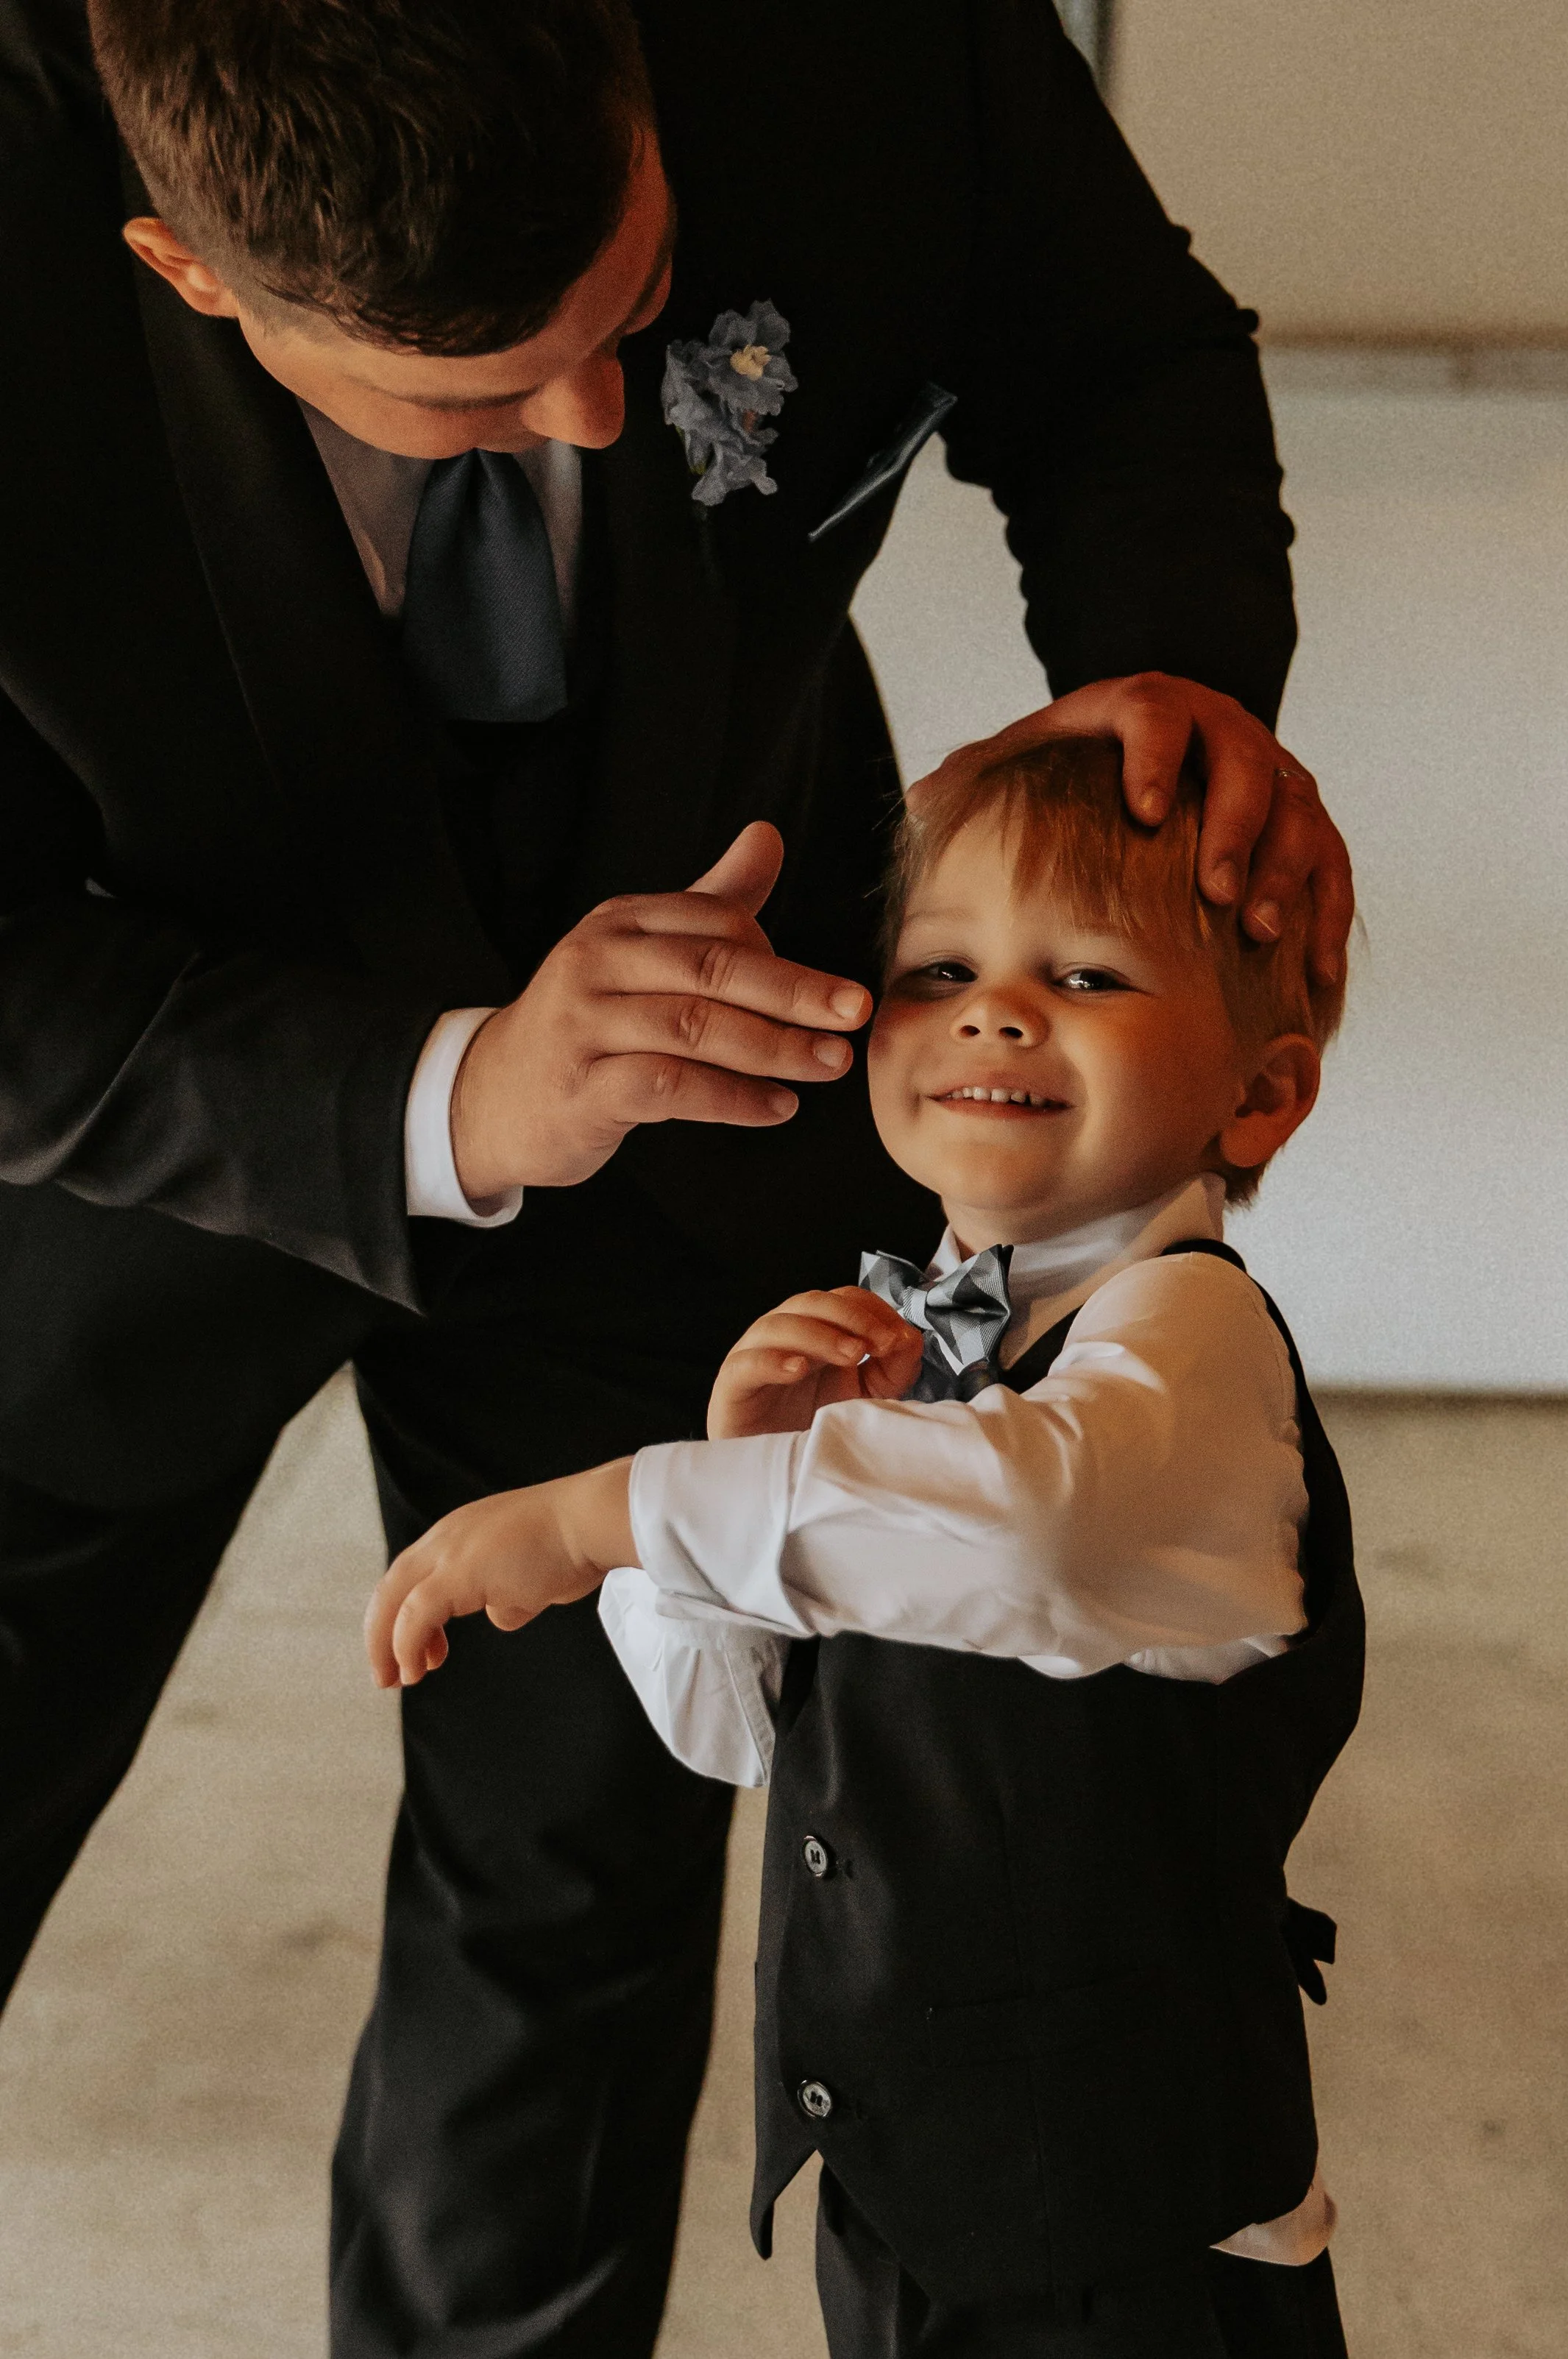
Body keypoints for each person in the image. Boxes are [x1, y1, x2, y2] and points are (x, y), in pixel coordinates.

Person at [0, 0, 1352, 2349]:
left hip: (722, 1091)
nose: (600, 423)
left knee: (571, 1913)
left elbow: (1117, 353)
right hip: (111, 1162)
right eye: (473, 389)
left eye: (628, 312)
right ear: (188, 270)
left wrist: (1175, 673)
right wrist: (438, 1094)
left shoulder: (858, 39)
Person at [367, 732, 1361, 2359]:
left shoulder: (1186, 1346)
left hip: (1134, 2227)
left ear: (1261, 1094)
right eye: (942, 966)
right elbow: (737, 1739)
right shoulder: (915, 1357)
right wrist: (748, 1468)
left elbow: (1027, 1523)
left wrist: (601, 1508)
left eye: (1090, 975)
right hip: (907, 2188)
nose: (994, 1009)